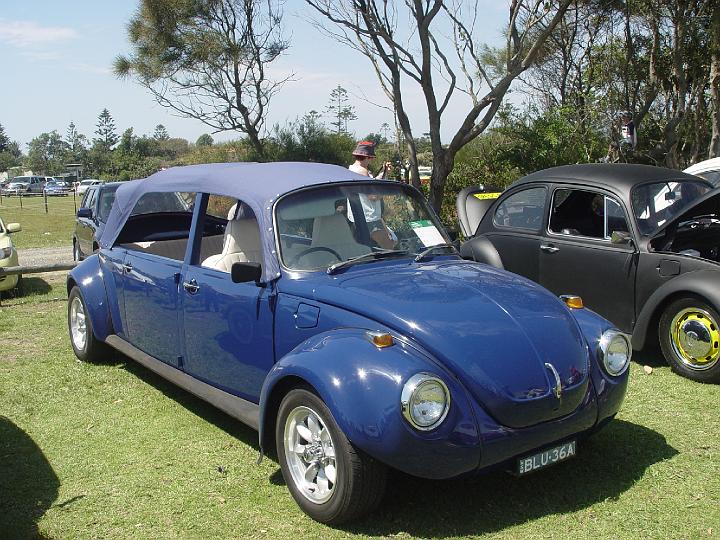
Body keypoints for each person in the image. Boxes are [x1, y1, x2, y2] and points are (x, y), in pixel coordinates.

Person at [347, 140, 396, 249]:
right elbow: (373, 196)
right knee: (390, 246)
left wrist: (384, 173)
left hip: (359, 218)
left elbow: (370, 186)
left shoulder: (351, 169)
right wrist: (385, 191)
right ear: (367, 157)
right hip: (370, 219)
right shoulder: (362, 171)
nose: (372, 160)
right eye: (371, 157)